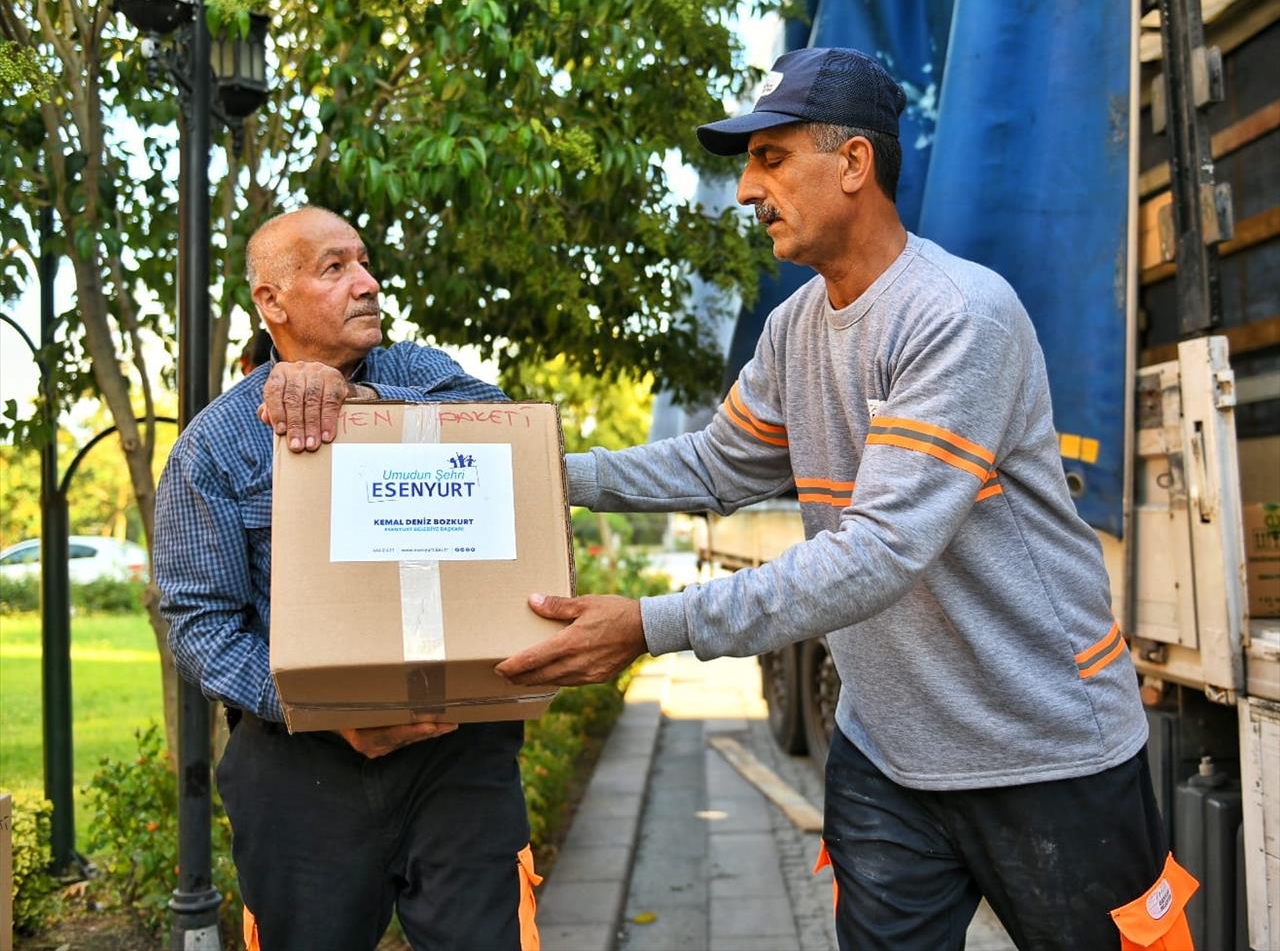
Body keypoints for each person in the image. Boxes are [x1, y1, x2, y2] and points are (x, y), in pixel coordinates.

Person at [497, 48, 1195, 950]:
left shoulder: (956, 314)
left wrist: (647, 625)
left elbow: (879, 552)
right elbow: (716, 468)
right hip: (887, 752)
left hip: (1042, 745)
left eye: (772, 158)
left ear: (855, 164)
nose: (747, 188)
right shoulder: (793, 329)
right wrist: (544, 472)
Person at [155, 207, 541, 951]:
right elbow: (199, 625)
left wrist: (372, 411)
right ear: (273, 303)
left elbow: (506, 428)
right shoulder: (214, 447)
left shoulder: (419, 372)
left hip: (459, 754)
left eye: (363, 262)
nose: (366, 282)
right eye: (335, 269)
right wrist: (326, 707)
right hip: (302, 766)